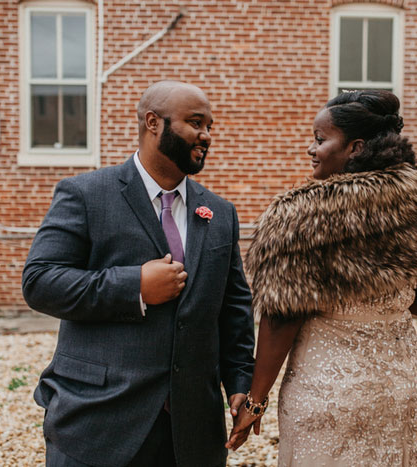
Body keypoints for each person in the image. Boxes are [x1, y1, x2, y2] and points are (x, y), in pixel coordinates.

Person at [226, 90, 417, 466]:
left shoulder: (300, 214)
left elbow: (281, 319)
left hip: (329, 395)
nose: (312, 148)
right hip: (405, 392)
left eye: (321, 139)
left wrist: (256, 402)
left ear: (356, 147)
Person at [23, 80, 255, 467]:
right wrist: (134, 286)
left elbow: (234, 305)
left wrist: (240, 382)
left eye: (210, 126)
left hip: (193, 431)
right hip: (99, 420)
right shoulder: (85, 194)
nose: (206, 135)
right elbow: (40, 281)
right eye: (195, 122)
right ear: (153, 122)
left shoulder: (220, 213)